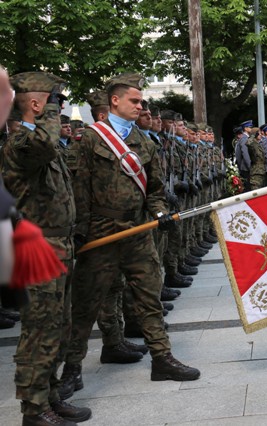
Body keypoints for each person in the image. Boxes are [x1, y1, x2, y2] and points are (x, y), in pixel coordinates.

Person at [62, 73, 200, 393]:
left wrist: (160, 213)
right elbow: (77, 187)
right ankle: (71, 369)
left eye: (141, 101)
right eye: (134, 101)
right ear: (115, 101)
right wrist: (80, 229)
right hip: (101, 234)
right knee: (86, 304)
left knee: (148, 296)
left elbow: (154, 188)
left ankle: (162, 359)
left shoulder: (144, 141)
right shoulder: (91, 139)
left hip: (138, 230)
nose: (140, 106)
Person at [1, 71, 92, 425]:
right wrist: (49, 115)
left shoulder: (39, 142)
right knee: (38, 330)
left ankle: (50, 397)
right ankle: (33, 409)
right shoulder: (21, 145)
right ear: (36, 105)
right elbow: (45, 145)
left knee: (58, 327)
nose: (62, 108)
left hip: (58, 245)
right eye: (56, 100)